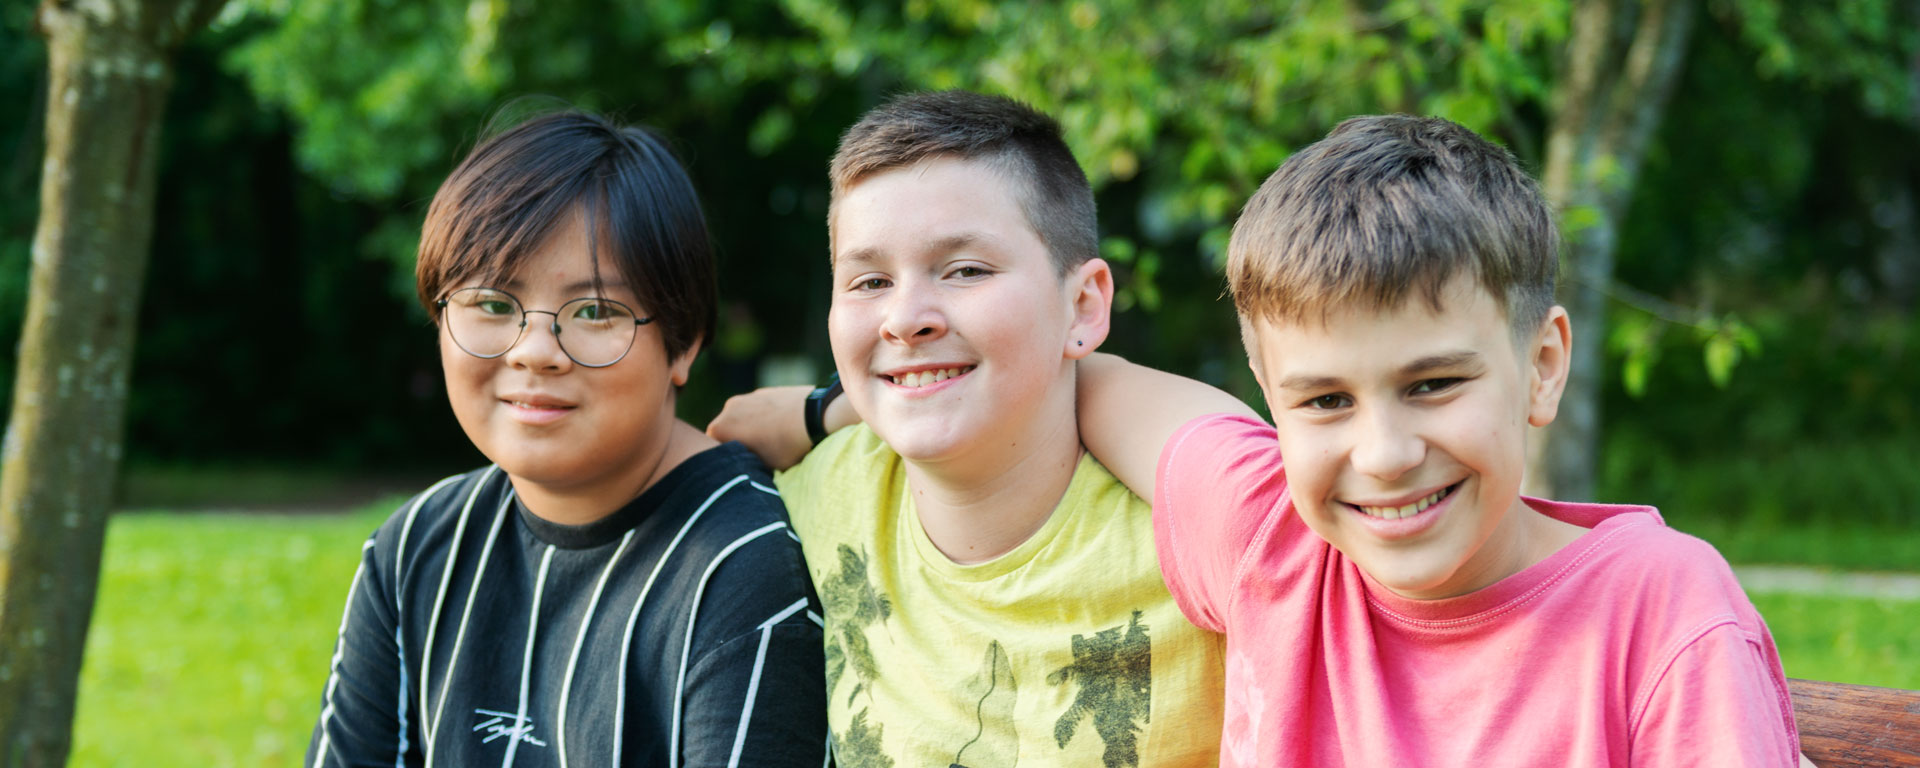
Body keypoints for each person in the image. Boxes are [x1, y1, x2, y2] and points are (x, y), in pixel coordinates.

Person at [1073, 115, 1803, 766]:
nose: (1385, 455)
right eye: (1325, 401)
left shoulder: (1662, 612)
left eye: (1433, 385)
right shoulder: (1267, 537)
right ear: (1272, 398)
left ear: (1542, 367)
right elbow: (1076, 379)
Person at [708, 90, 1223, 767]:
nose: (904, 319)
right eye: (869, 282)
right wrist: (828, 410)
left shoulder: (1203, 536)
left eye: (966, 271)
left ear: (1083, 306)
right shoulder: (800, 499)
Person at [306, 111, 827, 768]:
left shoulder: (743, 570)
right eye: (493, 303)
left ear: (684, 343)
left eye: (595, 311)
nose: (534, 351)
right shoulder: (414, 550)